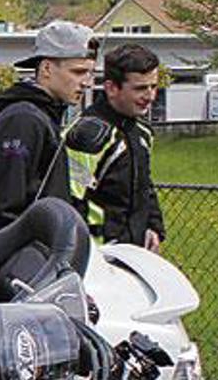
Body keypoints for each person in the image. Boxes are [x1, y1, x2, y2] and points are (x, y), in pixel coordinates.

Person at [0, 21, 99, 233]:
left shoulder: (44, 116)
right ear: (47, 69)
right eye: (78, 72)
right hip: (26, 256)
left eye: (90, 73)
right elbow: (5, 208)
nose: (86, 82)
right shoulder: (23, 120)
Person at [68, 43, 166, 251]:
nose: (150, 96)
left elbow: (144, 186)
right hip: (96, 257)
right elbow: (71, 199)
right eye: (140, 88)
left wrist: (153, 226)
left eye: (153, 86)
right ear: (112, 88)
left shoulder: (142, 132)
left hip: (133, 253)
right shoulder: (88, 134)